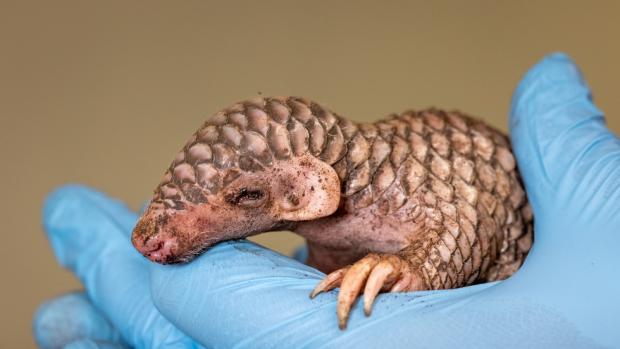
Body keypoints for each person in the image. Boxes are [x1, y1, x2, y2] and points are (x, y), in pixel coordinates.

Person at [34, 53, 619, 348]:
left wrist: (409, 268)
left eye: (242, 198)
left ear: (307, 189)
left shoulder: (422, 179)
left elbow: (465, 223)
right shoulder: (324, 226)